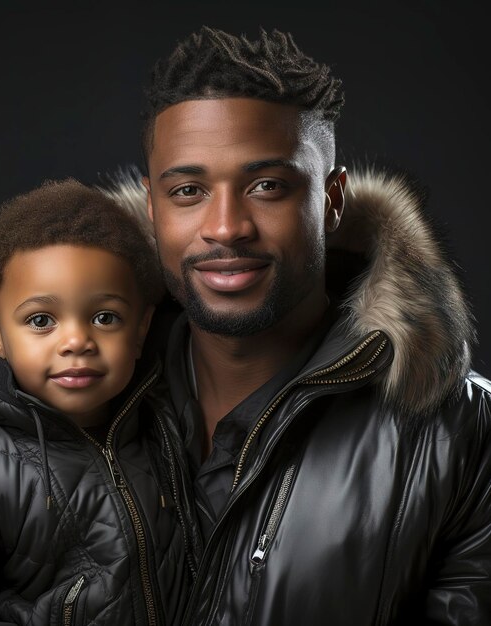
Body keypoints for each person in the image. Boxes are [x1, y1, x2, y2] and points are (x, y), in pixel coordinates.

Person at [130, 25, 490, 624]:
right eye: (189, 190)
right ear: (152, 207)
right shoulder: (55, 403)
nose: (225, 227)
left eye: (267, 185)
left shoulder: (464, 437)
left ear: (333, 199)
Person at [0, 178, 200, 625]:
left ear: (142, 330)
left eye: (105, 317)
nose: (76, 341)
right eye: (41, 320)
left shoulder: (162, 425)